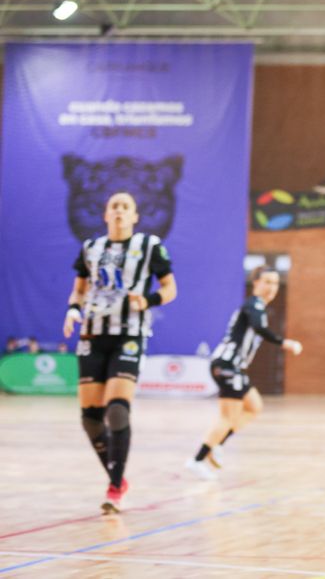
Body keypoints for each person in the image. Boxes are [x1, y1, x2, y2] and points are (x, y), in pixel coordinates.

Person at [63, 191, 177, 513]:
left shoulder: (149, 246)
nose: (119, 211)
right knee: (90, 419)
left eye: (126, 207)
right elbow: (80, 288)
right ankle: (117, 476)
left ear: (135, 216)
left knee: (117, 409)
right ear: (105, 214)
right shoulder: (91, 248)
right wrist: (73, 310)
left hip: (129, 334)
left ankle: (114, 487)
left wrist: (149, 300)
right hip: (92, 334)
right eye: (114, 206)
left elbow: (170, 288)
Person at [186, 267, 302, 480]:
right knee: (227, 417)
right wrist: (284, 342)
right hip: (227, 365)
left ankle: (218, 444)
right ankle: (197, 459)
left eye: (275, 283)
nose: (271, 287)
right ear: (256, 283)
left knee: (254, 406)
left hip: (234, 367)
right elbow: (259, 328)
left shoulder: (258, 307)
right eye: (267, 282)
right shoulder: (254, 304)